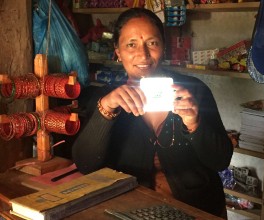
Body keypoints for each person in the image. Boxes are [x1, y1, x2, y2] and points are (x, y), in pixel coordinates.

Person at [72, 7, 233, 219]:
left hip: (197, 210)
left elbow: (220, 160)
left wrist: (194, 123)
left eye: (152, 43)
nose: (143, 54)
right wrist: (106, 110)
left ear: (163, 47)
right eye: (131, 44)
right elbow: (85, 165)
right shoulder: (106, 99)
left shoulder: (194, 91)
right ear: (118, 52)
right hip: (132, 210)